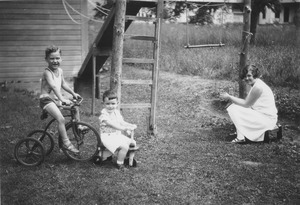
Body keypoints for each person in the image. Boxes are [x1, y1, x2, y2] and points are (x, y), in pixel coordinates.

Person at [39, 45, 82, 153]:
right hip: (46, 100)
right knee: (61, 119)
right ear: (46, 60)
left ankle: (79, 126)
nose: (55, 61)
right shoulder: (47, 72)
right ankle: (66, 143)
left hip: (55, 100)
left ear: (61, 59)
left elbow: (63, 84)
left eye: (57, 58)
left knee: (74, 107)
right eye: (52, 58)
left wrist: (73, 93)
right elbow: (53, 86)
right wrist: (62, 99)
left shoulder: (60, 71)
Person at [220, 64, 278, 143]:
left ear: (255, 74)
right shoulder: (255, 84)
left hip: (267, 120)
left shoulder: (258, 87)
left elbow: (246, 104)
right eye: (245, 77)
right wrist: (232, 98)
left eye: (249, 75)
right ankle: (241, 132)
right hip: (262, 115)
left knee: (233, 108)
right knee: (236, 107)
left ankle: (241, 137)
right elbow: (248, 104)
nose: (247, 78)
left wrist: (229, 97)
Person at [98, 90, 137, 169]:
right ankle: (120, 163)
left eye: (113, 103)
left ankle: (127, 158)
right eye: (108, 104)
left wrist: (129, 125)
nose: (110, 106)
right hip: (107, 137)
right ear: (103, 104)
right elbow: (113, 125)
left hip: (116, 135)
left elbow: (121, 122)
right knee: (124, 147)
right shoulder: (104, 116)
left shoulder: (116, 112)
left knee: (132, 142)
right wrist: (125, 129)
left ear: (117, 103)